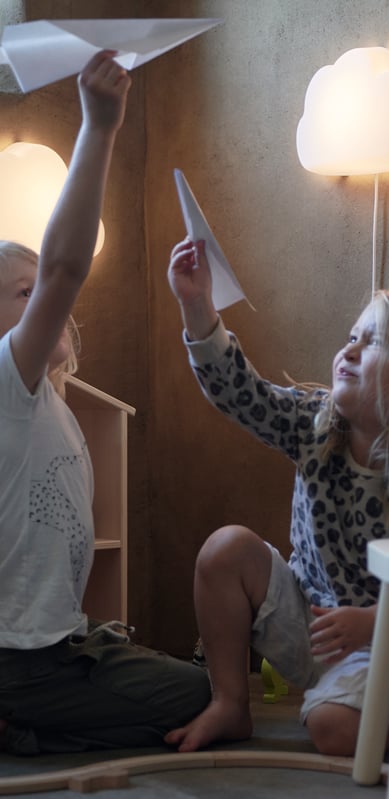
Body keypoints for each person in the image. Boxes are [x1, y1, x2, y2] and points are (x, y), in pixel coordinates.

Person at [165, 236, 389, 756]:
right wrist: (196, 304)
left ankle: (370, 705)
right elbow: (240, 393)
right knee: (225, 550)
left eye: (374, 343)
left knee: (334, 733)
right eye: (352, 336)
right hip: (309, 620)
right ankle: (230, 702)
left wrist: (375, 622)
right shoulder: (315, 424)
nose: (349, 349)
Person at [0, 52, 211, 755]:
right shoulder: (5, 383)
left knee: (193, 691)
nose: (52, 302)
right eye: (25, 296)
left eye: (43, 291)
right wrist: (99, 126)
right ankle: (29, 722)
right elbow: (66, 265)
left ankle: (35, 726)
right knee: (199, 696)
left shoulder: (50, 403)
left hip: (61, 647)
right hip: (20, 661)